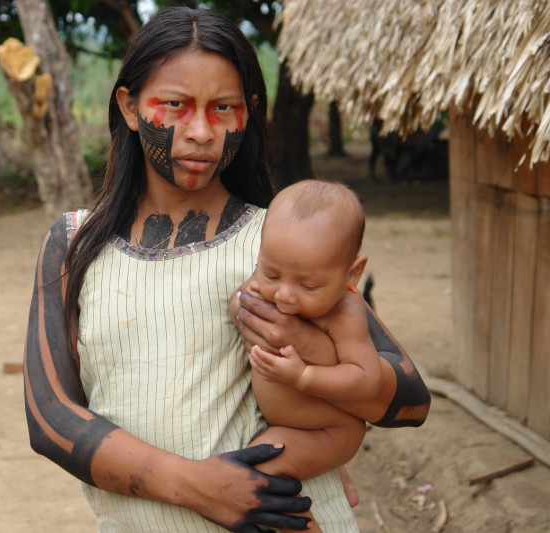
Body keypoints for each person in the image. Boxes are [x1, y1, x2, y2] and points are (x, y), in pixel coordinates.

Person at [23, 7, 431, 533]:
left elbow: (411, 402)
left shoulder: (278, 247)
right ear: (128, 105)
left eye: (224, 108)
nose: (200, 131)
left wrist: (308, 361)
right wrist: (200, 487)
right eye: (175, 105)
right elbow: (49, 416)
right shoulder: (75, 244)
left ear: (249, 113)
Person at [233, 179, 381, 532]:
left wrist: (303, 377)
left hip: (330, 430)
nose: (284, 295)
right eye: (272, 273)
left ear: (352, 273)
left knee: (257, 473)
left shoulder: (345, 313)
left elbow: (366, 377)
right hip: (289, 422)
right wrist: (241, 301)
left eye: (308, 286)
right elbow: (240, 305)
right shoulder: (270, 284)